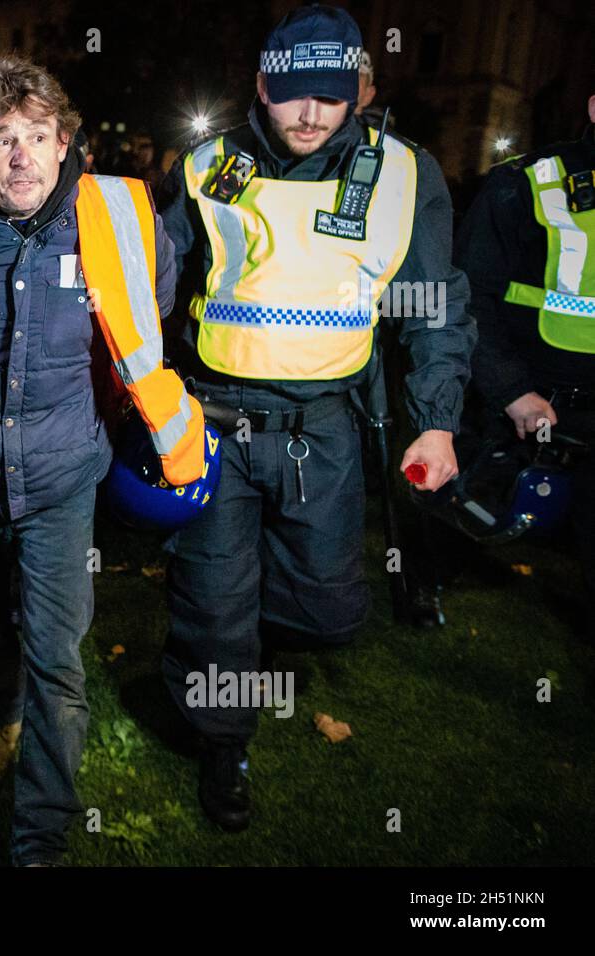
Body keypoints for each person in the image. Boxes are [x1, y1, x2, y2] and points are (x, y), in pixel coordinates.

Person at [158, 4, 475, 831]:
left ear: (358, 92)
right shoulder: (205, 167)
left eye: (330, 97)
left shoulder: (406, 173)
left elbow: (433, 306)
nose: (309, 115)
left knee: (328, 615)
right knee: (214, 600)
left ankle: (246, 656)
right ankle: (224, 743)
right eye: (294, 95)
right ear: (262, 85)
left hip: (325, 431)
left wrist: (435, 421)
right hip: (216, 424)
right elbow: (156, 288)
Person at [0, 54, 206, 866]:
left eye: (38, 135)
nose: (21, 155)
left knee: (58, 657)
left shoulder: (123, 218)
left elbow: (154, 303)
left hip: (66, 478)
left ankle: (41, 835)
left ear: (66, 143)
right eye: (1, 138)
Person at [453, 92, 595, 640]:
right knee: (465, 522)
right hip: (524, 404)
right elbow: (467, 291)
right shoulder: (526, 182)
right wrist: (510, 390)